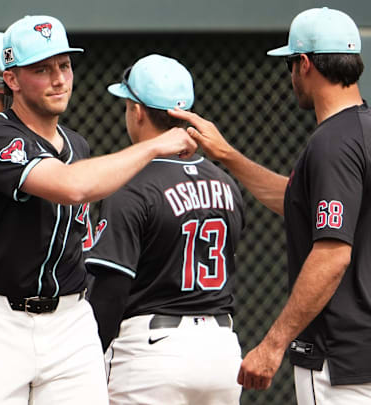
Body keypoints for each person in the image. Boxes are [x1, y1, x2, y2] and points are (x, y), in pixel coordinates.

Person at [0, 15, 196, 405]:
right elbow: (72, 187)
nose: (59, 79)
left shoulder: (76, 144)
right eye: (41, 69)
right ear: (11, 79)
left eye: (64, 65)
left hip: (69, 319)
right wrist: (155, 145)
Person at [169, 7, 371, 404]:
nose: (290, 75)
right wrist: (228, 156)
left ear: (304, 64)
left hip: (338, 351)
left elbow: (331, 255)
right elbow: (296, 203)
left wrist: (273, 344)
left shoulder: (332, 143)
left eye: (290, 63)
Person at [85, 54, 244, 405]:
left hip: (152, 352)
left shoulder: (130, 184)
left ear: (137, 111)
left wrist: (86, 355)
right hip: (222, 351)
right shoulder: (225, 182)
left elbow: (111, 289)